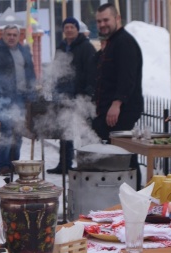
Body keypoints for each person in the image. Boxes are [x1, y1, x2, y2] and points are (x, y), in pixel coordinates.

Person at [91, 3, 144, 190]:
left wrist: (117, 103)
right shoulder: (112, 42)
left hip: (122, 110)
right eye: (99, 21)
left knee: (124, 155)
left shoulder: (125, 42)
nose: (102, 24)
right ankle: (116, 191)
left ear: (117, 19)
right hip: (108, 109)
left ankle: (133, 192)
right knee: (114, 154)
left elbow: (127, 77)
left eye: (106, 20)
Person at [0, 24, 36, 176]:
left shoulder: (24, 51)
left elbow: (31, 73)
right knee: (6, 130)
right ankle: (3, 165)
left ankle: (14, 163)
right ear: (3, 35)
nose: (11, 37)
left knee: (18, 130)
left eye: (14, 35)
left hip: (22, 97)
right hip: (3, 96)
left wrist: (32, 94)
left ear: (19, 37)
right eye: (8, 34)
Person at [46, 17, 96, 175]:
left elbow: (92, 71)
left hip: (80, 96)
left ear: (77, 29)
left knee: (84, 130)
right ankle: (64, 164)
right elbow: (56, 68)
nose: (68, 30)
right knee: (64, 130)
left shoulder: (86, 47)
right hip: (62, 95)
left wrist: (88, 92)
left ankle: (88, 164)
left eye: (72, 27)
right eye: (66, 27)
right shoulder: (61, 47)